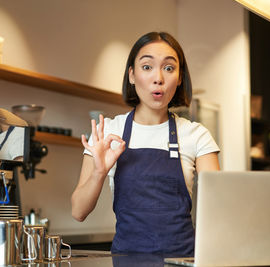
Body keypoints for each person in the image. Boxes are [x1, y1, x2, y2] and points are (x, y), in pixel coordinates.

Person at [71, 32, 220, 256]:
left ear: (179, 78)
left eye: (169, 68)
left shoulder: (196, 135)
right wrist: (99, 173)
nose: (158, 78)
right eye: (147, 67)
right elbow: (78, 211)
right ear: (131, 75)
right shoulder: (108, 132)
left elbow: (218, 210)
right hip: (126, 261)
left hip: (181, 262)